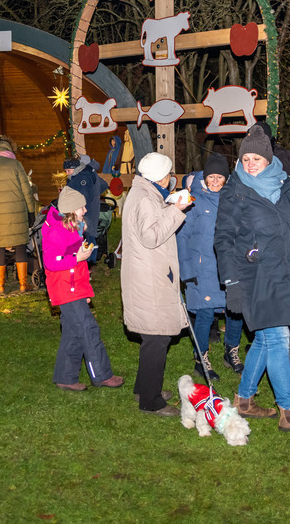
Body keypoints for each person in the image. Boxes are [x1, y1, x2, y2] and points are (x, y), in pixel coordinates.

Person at [214, 123, 290, 432]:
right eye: (245, 159)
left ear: (269, 160)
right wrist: (231, 283)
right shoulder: (235, 192)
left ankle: (244, 400)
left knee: (265, 340)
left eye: (256, 159)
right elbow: (223, 240)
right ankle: (289, 413)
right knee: (278, 338)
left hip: (286, 276)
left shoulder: (285, 189)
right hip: (253, 278)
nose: (250, 164)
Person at [121, 152, 191, 417]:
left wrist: (168, 205)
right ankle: (150, 400)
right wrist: (175, 210)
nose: (171, 177)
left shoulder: (145, 193)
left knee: (154, 336)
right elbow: (151, 237)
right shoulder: (145, 199)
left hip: (147, 275)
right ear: (161, 176)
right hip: (148, 279)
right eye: (169, 173)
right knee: (157, 338)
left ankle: (144, 388)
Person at [43, 186, 124, 391]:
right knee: (89, 329)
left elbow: (77, 269)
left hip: (73, 289)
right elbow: (51, 263)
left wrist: (84, 291)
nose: (85, 210)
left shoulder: (72, 229)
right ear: (71, 209)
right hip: (65, 291)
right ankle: (102, 375)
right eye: (82, 207)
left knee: (73, 333)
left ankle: (66, 378)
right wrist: (76, 257)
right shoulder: (56, 232)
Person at [176, 153, 244, 382]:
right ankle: (201, 359)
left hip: (228, 266)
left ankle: (231, 352)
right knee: (205, 314)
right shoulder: (193, 201)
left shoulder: (233, 199)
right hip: (202, 269)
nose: (215, 181)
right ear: (205, 177)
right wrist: (186, 270)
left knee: (235, 311)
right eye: (211, 176)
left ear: (226, 178)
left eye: (220, 177)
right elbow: (181, 237)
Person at [0, 136, 38, 294]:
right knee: (20, 246)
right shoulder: (15, 164)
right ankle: (23, 284)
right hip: (17, 211)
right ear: (9, 148)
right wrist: (31, 211)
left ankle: (0, 284)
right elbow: (26, 190)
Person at [63, 154, 109, 261]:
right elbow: (103, 184)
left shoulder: (83, 177)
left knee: (87, 235)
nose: (66, 173)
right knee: (90, 234)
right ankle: (89, 261)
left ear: (75, 168)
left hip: (85, 211)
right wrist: (95, 195)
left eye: (68, 170)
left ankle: (89, 261)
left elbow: (82, 197)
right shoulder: (88, 172)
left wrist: (92, 197)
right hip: (90, 208)